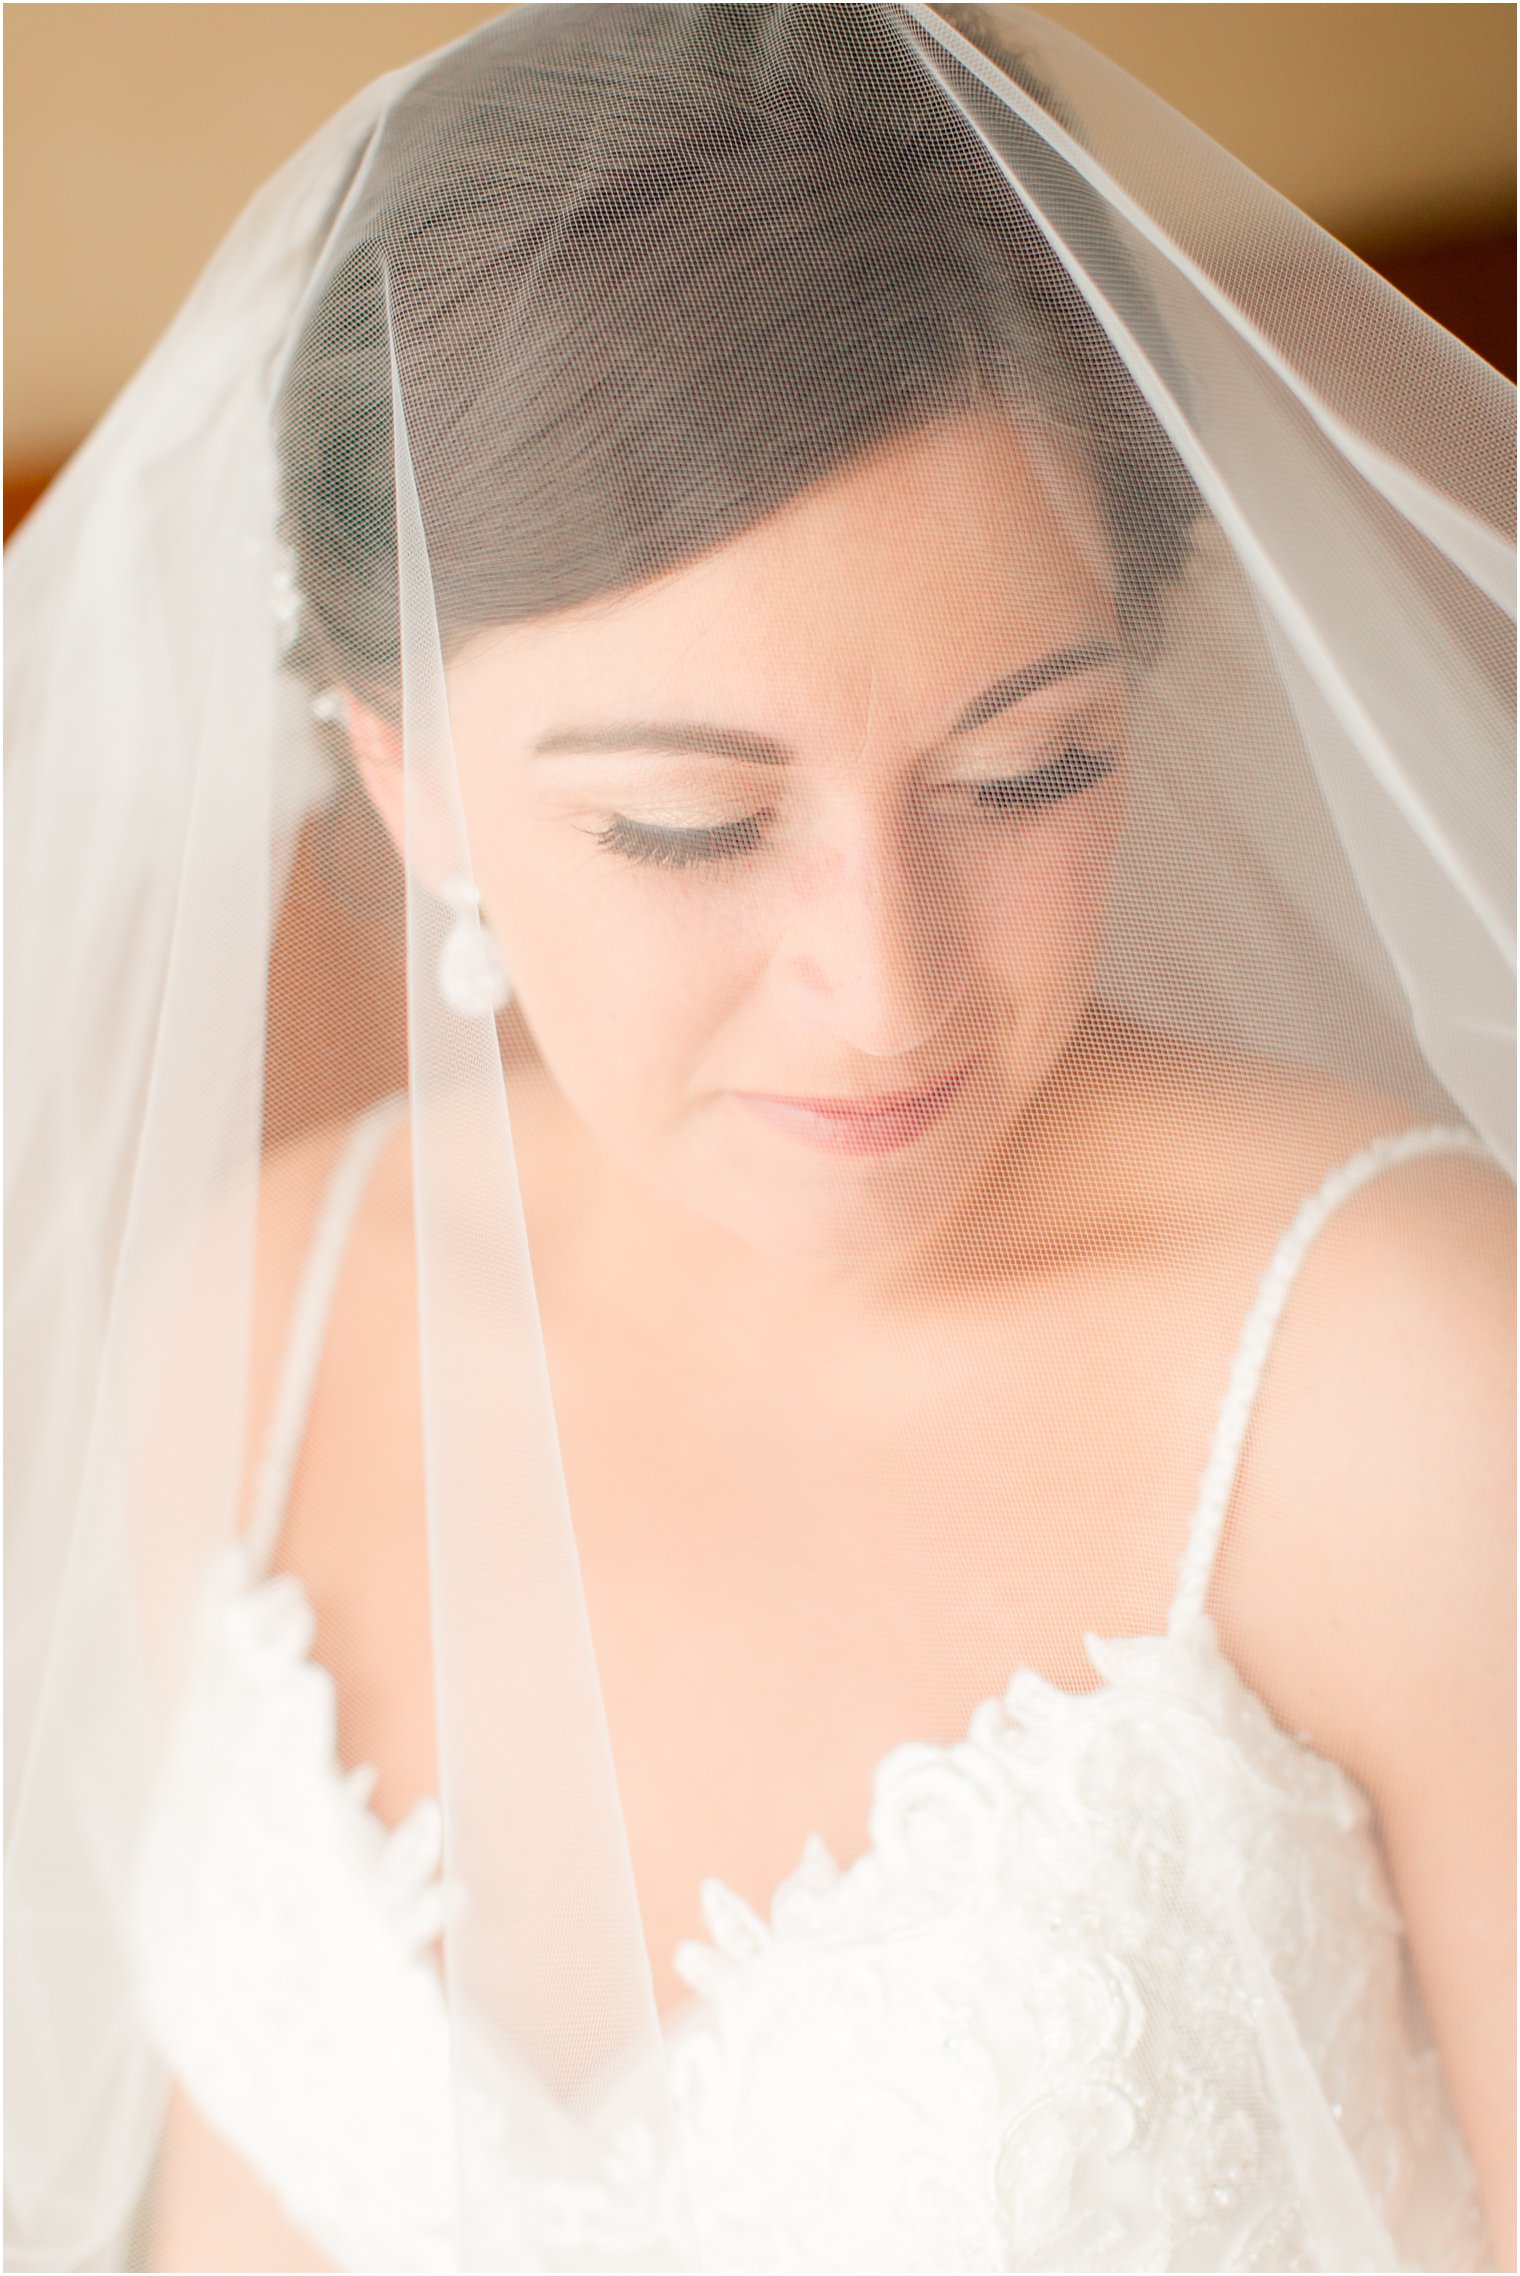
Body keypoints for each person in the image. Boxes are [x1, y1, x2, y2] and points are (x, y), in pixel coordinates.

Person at [6, 7, 1513, 2271]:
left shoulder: (1400, 1375)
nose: (890, 985)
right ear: (406, 776)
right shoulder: (253, 1329)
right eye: (694, 828)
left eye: (1023, 774)